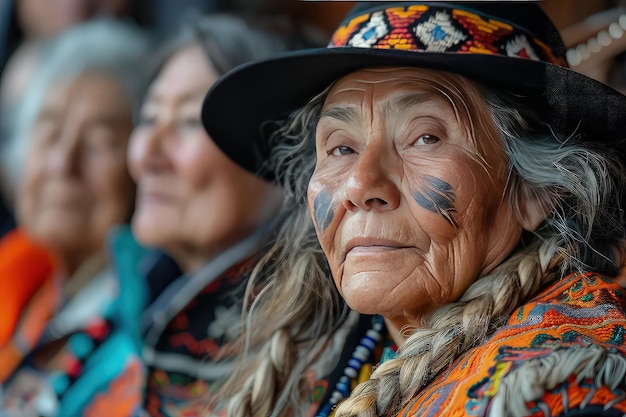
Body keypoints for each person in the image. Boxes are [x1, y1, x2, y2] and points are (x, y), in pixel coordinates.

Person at [201, 2, 626, 416]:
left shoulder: (560, 388)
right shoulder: (323, 358)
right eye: (341, 147)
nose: (360, 185)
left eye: (426, 138)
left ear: (537, 191)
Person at [114, 13, 331, 416]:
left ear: (285, 158)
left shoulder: (315, 354)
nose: (148, 155)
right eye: (148, 119)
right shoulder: (127, 302)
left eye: (188, 122)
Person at [0, 19, 151, 417]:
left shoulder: (151, 323)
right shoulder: (24, 289)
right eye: (48, 133)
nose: (61, 163)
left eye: (99, 142)